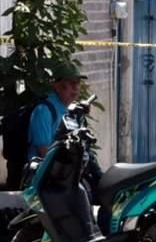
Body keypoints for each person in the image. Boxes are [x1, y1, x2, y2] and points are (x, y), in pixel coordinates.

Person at [26, 59, 103, 191]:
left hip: (69, 175)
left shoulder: (72, 110)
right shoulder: (44, 111)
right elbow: (43, 152)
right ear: (57, 86)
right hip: (46, 178)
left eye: (78, 84)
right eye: (71, 84)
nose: (76, 88)